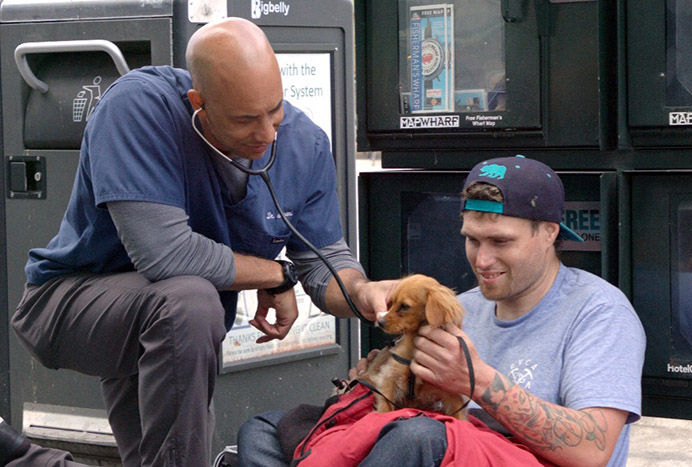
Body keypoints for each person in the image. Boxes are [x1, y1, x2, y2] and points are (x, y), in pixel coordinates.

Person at [10, 18, 393, 467]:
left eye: (275, 110)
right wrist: (275, 273)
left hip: (169, 330)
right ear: (199, 104)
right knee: (190, 300)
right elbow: (166, 254)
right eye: (246, 119)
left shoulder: (304, 145)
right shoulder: (139, 108)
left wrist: (364, 293)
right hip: (70, 302)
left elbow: (324, 261)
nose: (267, 133)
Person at [237, 155, 646, 467]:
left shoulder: (599, 312)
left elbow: (594, 450)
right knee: (267, 430)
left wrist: (479, 382)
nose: (482, 260)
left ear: (549, 233)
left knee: (416, 436)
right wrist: (376, 385)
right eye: (472, 240)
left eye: (501, 242)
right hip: (439, 449)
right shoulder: (459, 308)